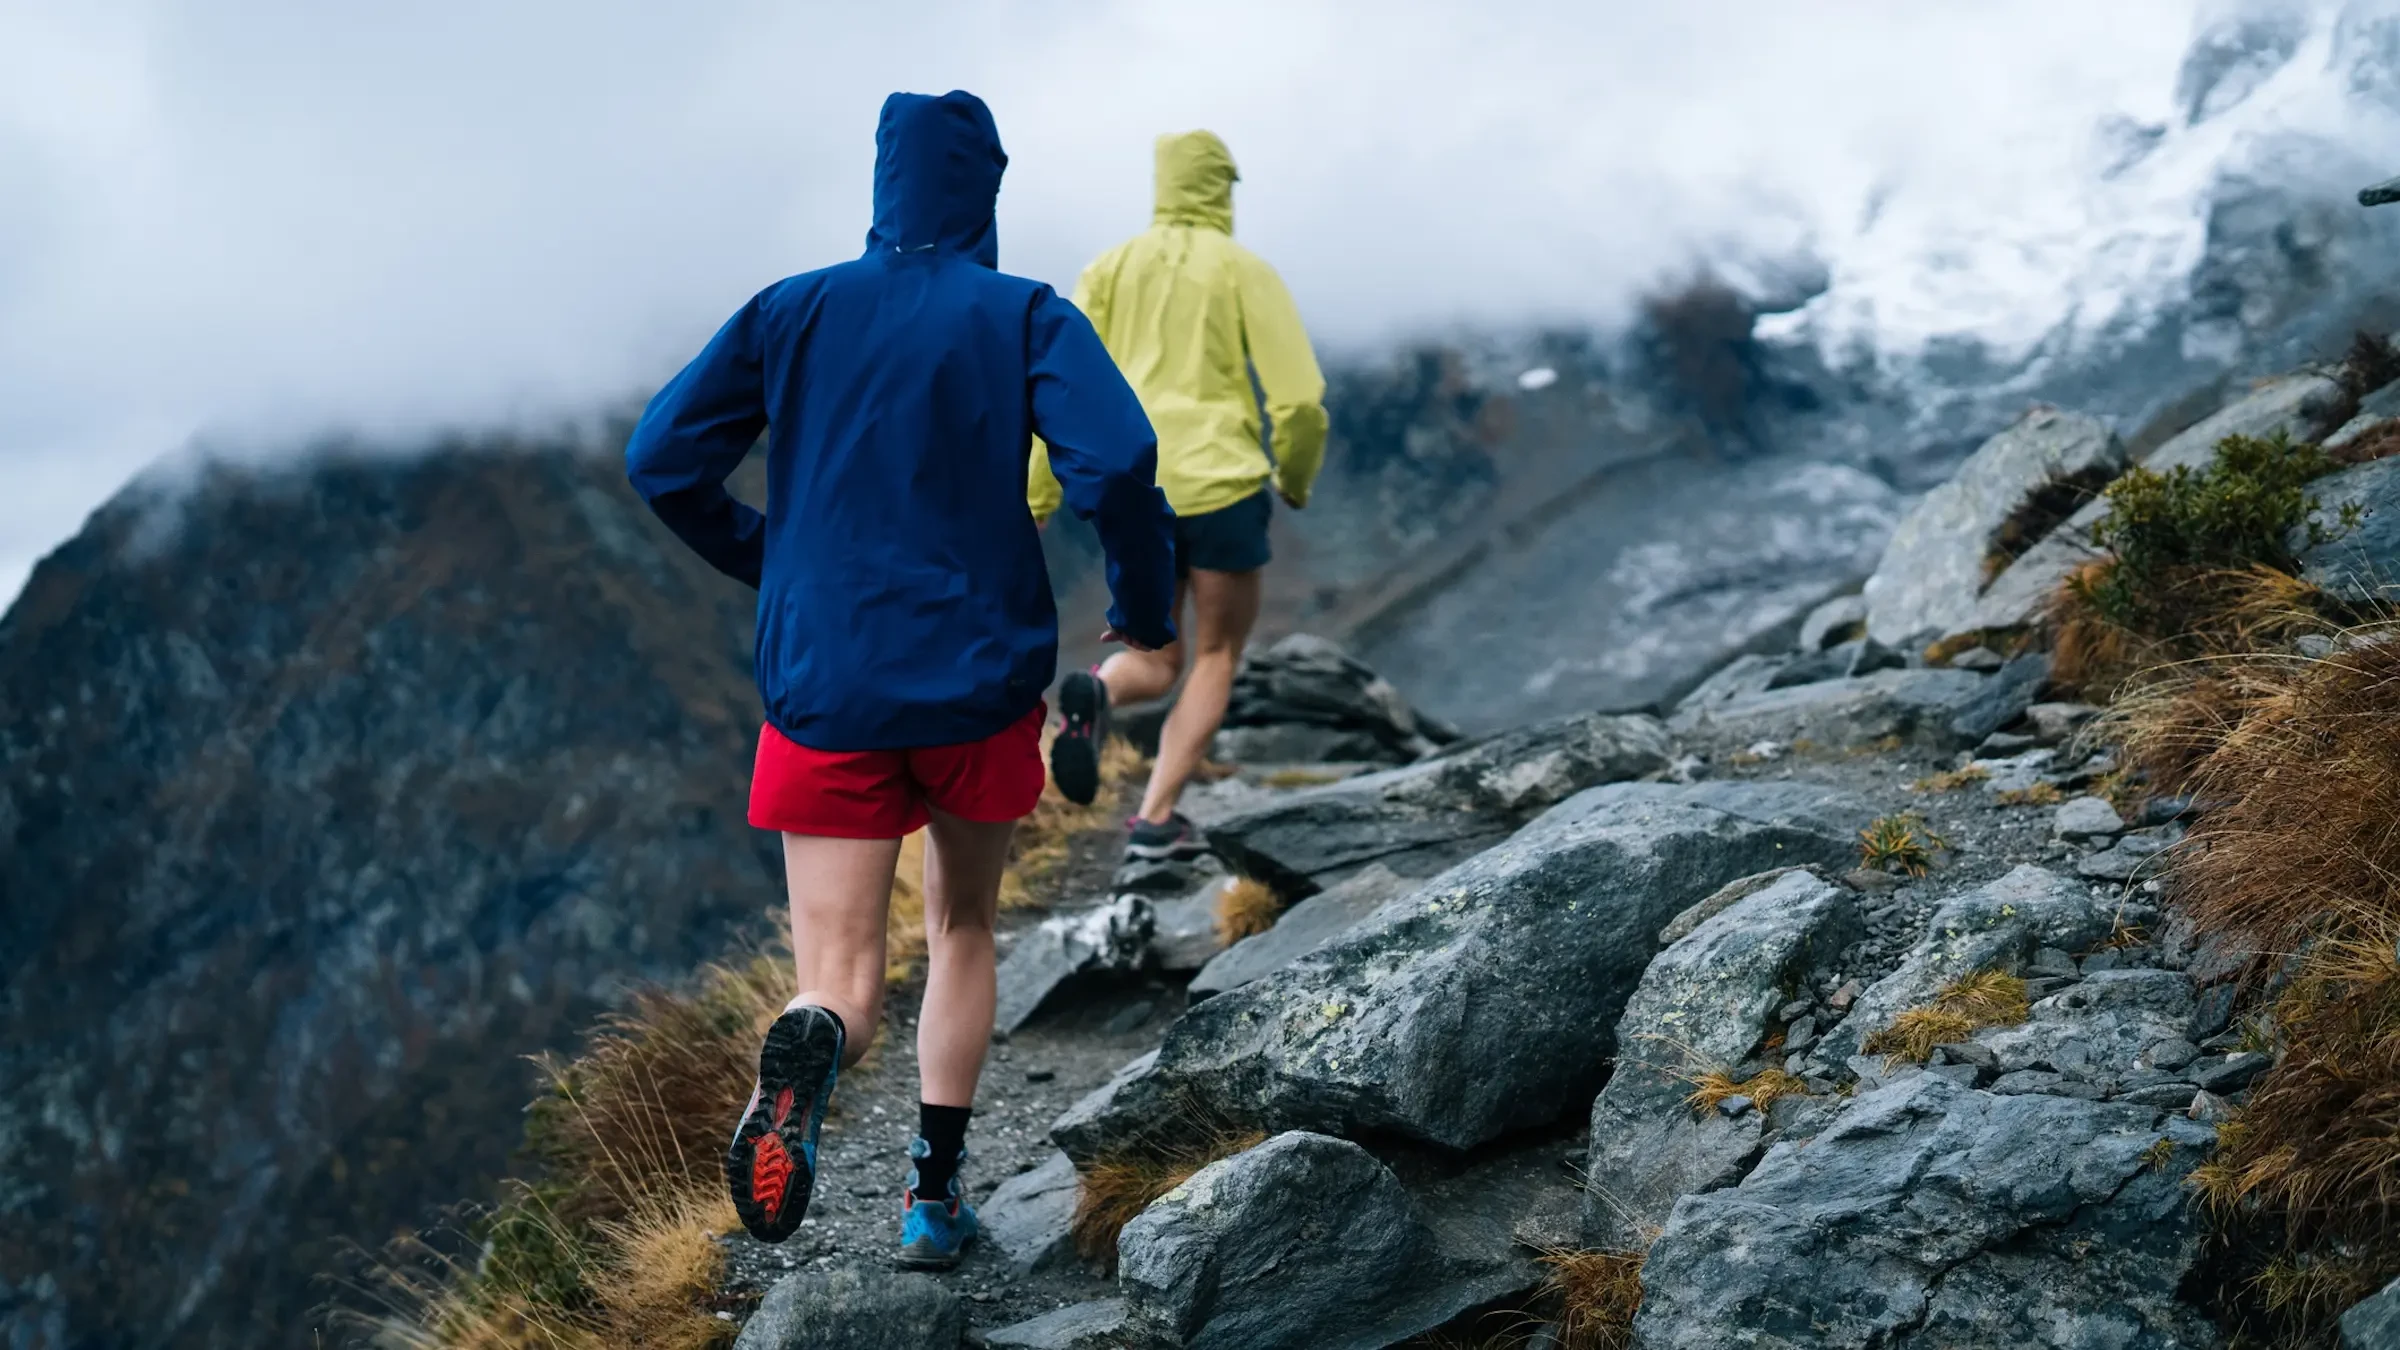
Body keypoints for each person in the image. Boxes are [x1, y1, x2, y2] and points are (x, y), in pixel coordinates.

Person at [623, 89, 1175, 1270]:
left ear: (882, 185)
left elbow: (660, 458)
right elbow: (1121, 461)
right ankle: (932, 1202)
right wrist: (1139, 610)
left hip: (826, 687)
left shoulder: (793, 311)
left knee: (838, 976)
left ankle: (815, 1041)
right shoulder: (1023, 313)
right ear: (984, 191)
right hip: (977, 690)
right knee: (964, 925)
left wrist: (770, 556)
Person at [1032, 130, 1328, 861]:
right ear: (1221, 188)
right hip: (1223, 485)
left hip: (1135, 488)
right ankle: (1157, 819)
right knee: (1216, 655)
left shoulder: (1107, 271)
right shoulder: (1242, 271)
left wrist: (1036, 497)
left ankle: (1099, 693)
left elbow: (1056, 391)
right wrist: (1292, 479)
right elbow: (1298, 401)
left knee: (1155, 653)